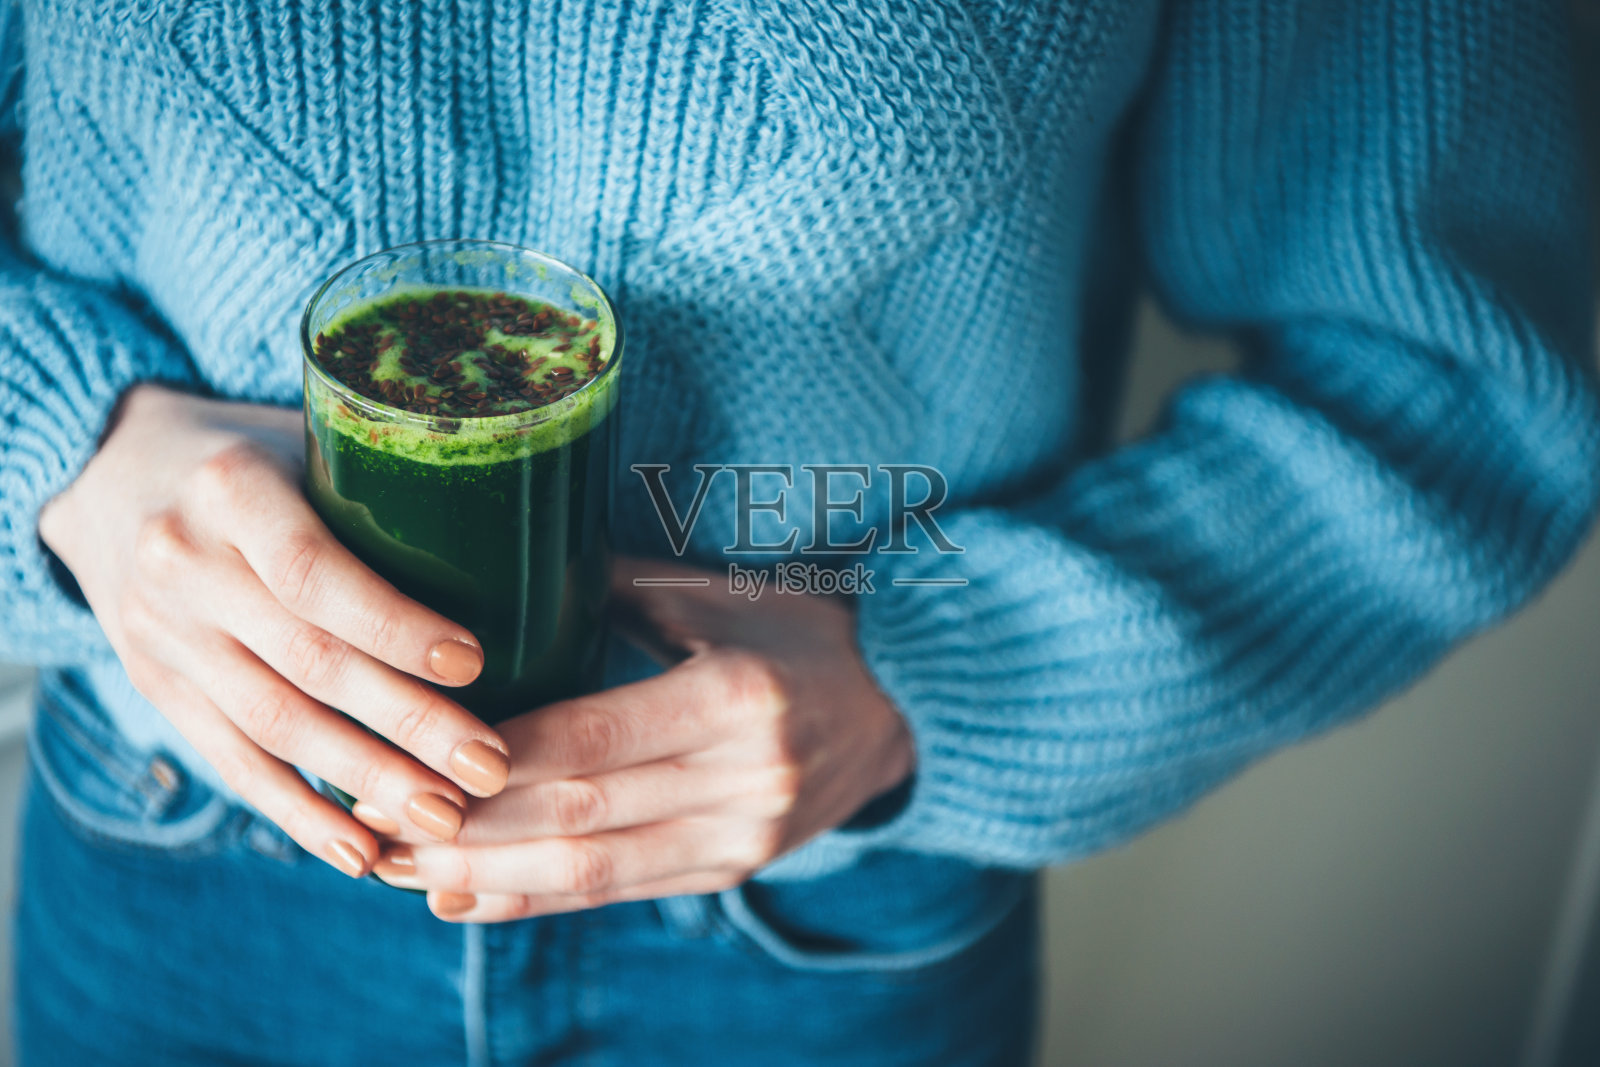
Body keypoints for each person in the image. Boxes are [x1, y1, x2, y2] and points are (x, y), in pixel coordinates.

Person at [1, 0, 1595, 1063]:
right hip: (179, 857)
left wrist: (945, 671)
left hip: (821, 915)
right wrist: (60, 449)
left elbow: (1460, 380)